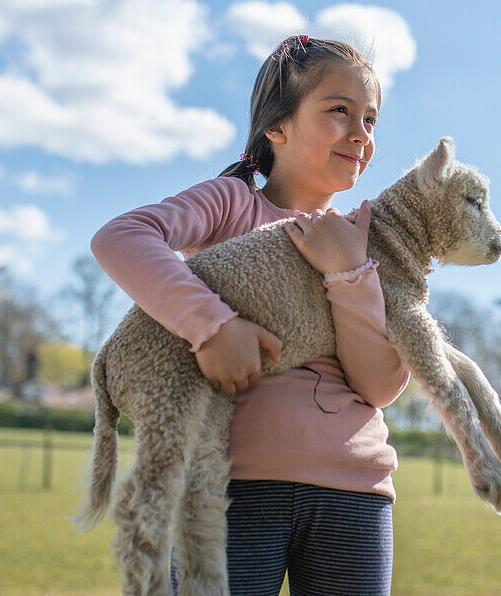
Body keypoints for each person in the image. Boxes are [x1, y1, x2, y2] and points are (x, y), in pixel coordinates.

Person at [90, 34, 409, 596]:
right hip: (229, 486)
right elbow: (122, 236)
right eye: (340, 111)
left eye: (372, 119)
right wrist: (212, 325)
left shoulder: (365, 239)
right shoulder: (233, 203)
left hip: (354, 493)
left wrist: (348, 272)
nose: (362, 133)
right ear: (276, 127)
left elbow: (379, 385)